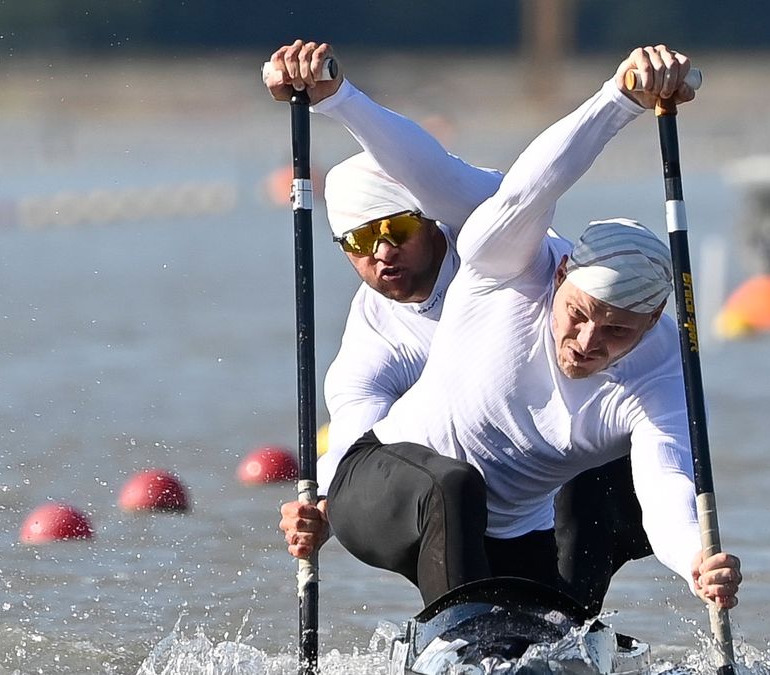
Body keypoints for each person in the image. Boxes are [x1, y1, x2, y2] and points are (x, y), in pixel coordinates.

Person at [279, 45, 742, 612]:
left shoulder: (664, 372)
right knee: (455, 488)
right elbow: (533, 185)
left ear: (651, 324)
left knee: (558, 596)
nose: (588, 343)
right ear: (563, 271)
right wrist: (620, 97)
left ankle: (564, 620)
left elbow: (665, 479)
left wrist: (697, 559)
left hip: (517, 518)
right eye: (577, 314)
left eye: (618, 332)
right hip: (394, 484)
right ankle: (461, 635)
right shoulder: (504, 258)